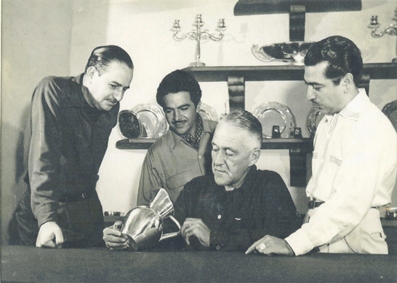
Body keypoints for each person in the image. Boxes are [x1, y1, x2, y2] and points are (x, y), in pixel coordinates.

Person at [247, 35, 397, 256]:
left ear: (346, 82)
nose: (309, 95)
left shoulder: (369, 126)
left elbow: (349, 204)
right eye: (308, 85)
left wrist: (293, 243)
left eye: (317, 87)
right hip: (324, 230)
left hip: (354, 238)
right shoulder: (329, 119)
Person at [103, 110, 300, 251]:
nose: (218, 161)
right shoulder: (195, 189)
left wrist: (214, 238)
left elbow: (283, 238)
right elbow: (167, 235)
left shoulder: (269, 185)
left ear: (253, 156)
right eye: (215, 149)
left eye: (229, 153)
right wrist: (128, 237)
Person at [10, 45, 134, 248]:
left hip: (86, 215)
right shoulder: (53, 90)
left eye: (124, 89)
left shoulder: (111, 106)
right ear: (92, 74)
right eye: (114, 85)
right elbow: (43, 160)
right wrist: (47, 219)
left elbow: (86, 170)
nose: (119, 96)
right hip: (47, 214)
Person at [137, 69, 217, 205]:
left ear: (198, 106)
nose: (177, 117)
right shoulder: (156, 154)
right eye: (169, 111)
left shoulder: (222, 133)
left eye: (183, 108)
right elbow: (147, 212)